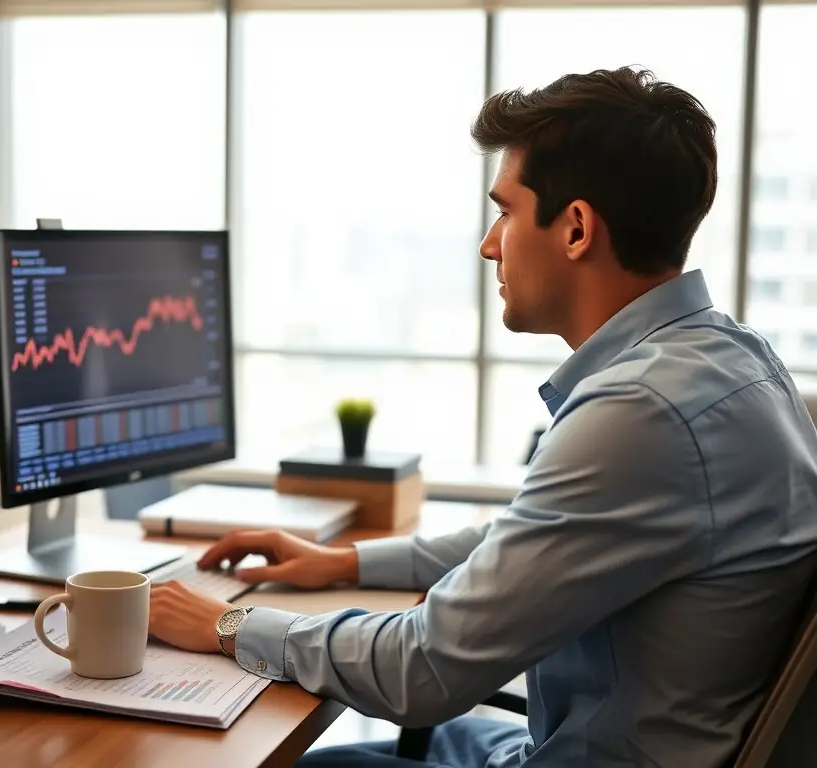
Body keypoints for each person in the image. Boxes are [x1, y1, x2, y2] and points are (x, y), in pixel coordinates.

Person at [148, 66, 817, 767]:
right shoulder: (737, 358)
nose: (489, 244)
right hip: (604, 738)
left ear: (577, 229)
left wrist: (228, 622)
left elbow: (423, 671)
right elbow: (530, 539)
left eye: (506, 211)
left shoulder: (640, 413)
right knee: (435, 739)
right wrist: (343, 561)